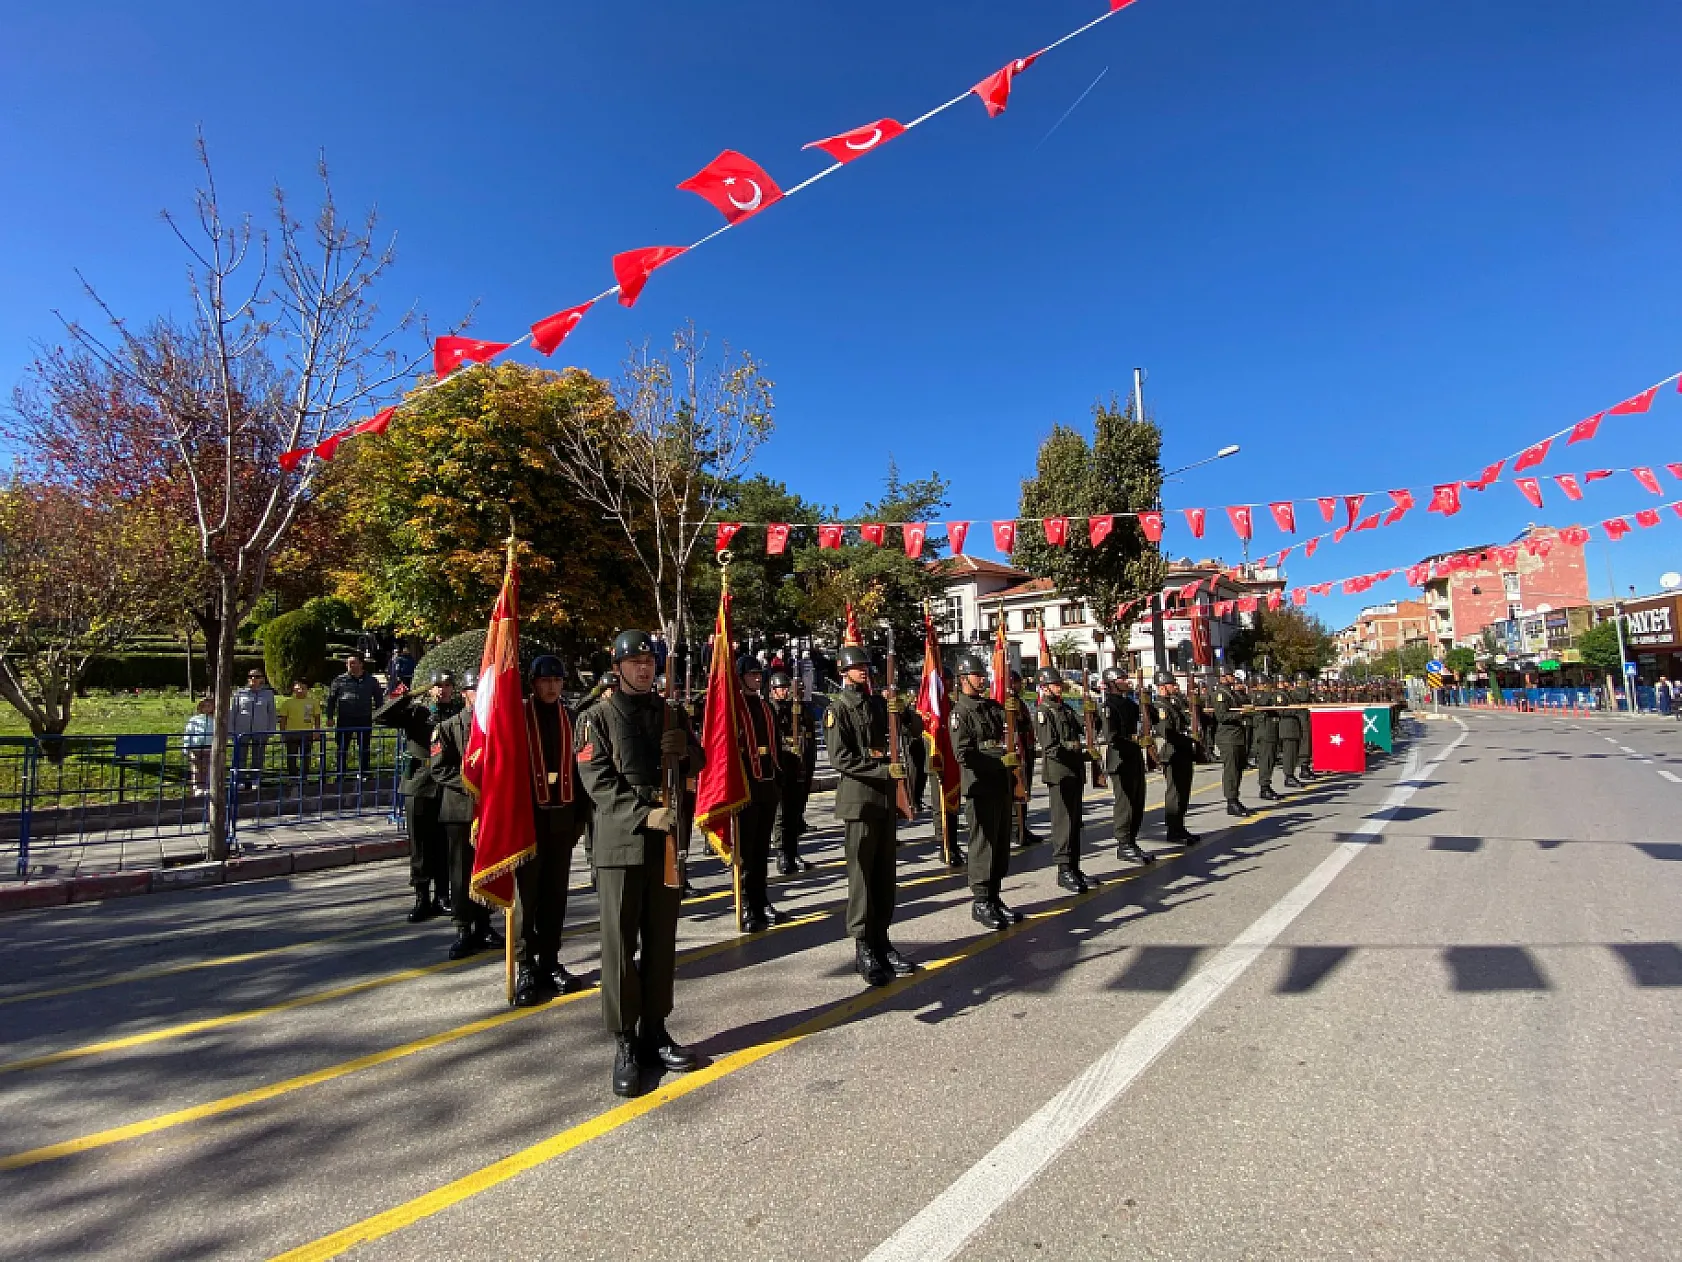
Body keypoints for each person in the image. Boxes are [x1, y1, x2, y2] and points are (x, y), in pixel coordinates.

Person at [577, 629, 704, 1098]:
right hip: (620, 844)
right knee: (619, 947)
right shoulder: (595, 718)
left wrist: (684, 752)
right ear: (618, 667)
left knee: (661, 941)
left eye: (650, 662)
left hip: (665, 841)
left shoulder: (671, 711)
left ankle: (655, 1028)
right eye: (635, 662)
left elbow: (700, 759)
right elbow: (597, 779)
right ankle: (625, 1040)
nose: (644, 668)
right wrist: (642, 814)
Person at [826, 643, 915, 988]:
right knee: (862, 875)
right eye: (857, 666)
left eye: (866, 666)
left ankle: (882, 939)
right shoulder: (839, 709)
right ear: (843, 670)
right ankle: (864, 944)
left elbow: (906, 731)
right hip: (860, 801)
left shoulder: (879, 703)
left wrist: (902, 712)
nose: (863, 670)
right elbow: (840, 759)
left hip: (884, 801)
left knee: (884, 874)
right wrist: (884, 772)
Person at [512, 656, 588, 1006]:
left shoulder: (571, 719)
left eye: (557, 680)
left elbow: (585, 769)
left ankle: (550, 961)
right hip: (528, 822)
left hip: (562, 821)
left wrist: (580, 819)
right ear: (532, 683)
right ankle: (525, 966)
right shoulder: (517, 720)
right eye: (545, 681)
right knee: (527, 900)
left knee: (556, 897)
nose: (552, 687)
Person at [374, 670, 460, 922]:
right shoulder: (417, 714)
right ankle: (422, 897)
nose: (442, 690)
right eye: (437, 686)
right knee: (420, 846)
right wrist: (408, 696)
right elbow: (379, 716)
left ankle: (442, 896)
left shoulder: (455, 714)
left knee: (445, 843)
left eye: (447, 686)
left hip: (447, 785)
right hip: (419, 785)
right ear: (429, 689)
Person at [429, 669, 501, 959]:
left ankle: (484, 923)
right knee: (460, 873)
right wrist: (471, 784)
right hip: (460, 810)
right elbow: (438, 768)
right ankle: (463, 928)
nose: (478, 697)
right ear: (465, 695)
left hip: (487, 809)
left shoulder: (495, 728)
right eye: (473, 692)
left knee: (485, 869)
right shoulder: (447, 728)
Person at [949, 652, 1021, 930]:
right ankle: (981, 900)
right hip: (980, 786)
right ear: (963, 679)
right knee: (983, 845)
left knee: (1001, 844)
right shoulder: (961, 712)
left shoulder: (992, 707)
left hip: (1000, 784)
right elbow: (963, 754)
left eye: (983, 675)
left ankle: (994, 895)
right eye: (977, 675)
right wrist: (997, 761)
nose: (983, 679)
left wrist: (1016, 707)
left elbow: (1015, 727)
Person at [734, 656, 787, 932]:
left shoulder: (765, 706)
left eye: (759, 674)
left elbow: (775, 741)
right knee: (746, 852)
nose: (757, 678)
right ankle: (745, 904)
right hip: (746, 785)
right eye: (751, 674)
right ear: (740, 677)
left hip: (767, 782)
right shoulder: (734, 708)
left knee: (762, 849)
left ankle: (761, 899)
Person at [1033, 667, 1098, 892]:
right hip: (1059, 773)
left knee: (1075, 822)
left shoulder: (1065, 708)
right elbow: (1050, 747)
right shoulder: (1044, 712)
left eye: (1059, 683)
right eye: (1055, 684)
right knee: (1063, 824)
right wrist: (1074, 747)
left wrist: (1091, 712)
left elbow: (1085, 727)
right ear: (1044, 687)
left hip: (1074, 771)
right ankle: (1064, 870)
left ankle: (1074, 867)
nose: (1059, 687)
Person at [1098, 668, 1154, 866]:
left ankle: (1131, 841)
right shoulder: (1109, 706)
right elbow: (1110, 735)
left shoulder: (1130, 703)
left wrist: (1146, 702)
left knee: (1138, 801)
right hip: (1119, 758)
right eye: (1121, 679)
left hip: (1134, 756)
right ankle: (1123, 844)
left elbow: (1150, 719)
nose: (1126, 681)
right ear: (1112, 683)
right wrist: (1134, 739)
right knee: (1126, 803)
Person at [768, 670, 817, 875]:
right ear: (773, 690)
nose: (785, 691)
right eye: (781, 688)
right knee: (782, 813)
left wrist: (799, 706)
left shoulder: (795, 707)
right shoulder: (771, 709)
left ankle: (793, 850)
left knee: (796, 811)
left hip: (799, 765)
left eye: (787, 688)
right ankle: (782, 853)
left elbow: (808, 729)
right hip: (781, 766)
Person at [1153, 674, 1200, 845]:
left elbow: (1187, 720)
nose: (1175, 686)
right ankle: (1173, 829)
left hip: (1182, 752)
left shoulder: (1173, 703)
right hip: (1171, 753)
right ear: (1162, 686)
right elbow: (1168, 732)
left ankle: (1180, 827)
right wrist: (1187, 740)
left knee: (1184, 792)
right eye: (1171, 684)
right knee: (1175, 793)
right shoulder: (1159, 707)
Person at [326, 654, 384, 778]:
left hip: (364, 718)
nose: (350, 666)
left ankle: (364, 773)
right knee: (342, 747)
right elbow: (331, 700)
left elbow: (379, 699)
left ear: (361, 664)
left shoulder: (371, 681)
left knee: (364, 747)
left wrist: (380, 715)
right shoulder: (339, 680)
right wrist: (329, 717)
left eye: (353, 663)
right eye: (348, 663)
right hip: (345, 718)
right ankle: (340, 773)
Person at [1009, 669, 1043, 849]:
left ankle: (1024, 827)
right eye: (1016, 682)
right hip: (1017, 750)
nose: (1020, 686)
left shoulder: (1019, 702)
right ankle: (1016, 830)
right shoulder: (1007, 703)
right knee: (1017, 791)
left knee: (1026, 789)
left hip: (1026, 749)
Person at [1212, 669, 1252, 818]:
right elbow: (1222, 716)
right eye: (1230, 675)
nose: (1233, 678)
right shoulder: (1220, 694)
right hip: (1228, 737)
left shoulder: (1232, 693)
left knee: (1238, 768)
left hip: (1236, 736)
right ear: (1222, 677)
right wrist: (1240, 714)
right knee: (1231, 769)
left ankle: (1235, 797)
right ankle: (1231, 800)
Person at [229, 667, 277, 787]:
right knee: (240, 757)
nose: (253, 679)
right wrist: (231, 730)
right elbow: (232, 712)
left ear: (262, 679)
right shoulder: (239, 693)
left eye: (257, 676)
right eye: (250, 676)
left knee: (258, 757)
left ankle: (255, 779)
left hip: (260, 730)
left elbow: (271, 713)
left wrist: (271, 730)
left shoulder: (268, 694)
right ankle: (239, 780)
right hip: (241, 730)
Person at [276, 679, 321, 779]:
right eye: (298, 688)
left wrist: (317, 731)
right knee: (291, 756)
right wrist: (282, 733)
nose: (300, 690)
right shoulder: (287, 703)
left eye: (303, 688)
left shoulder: (313, 702)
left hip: (307, 733)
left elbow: (317, 717)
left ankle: (304, 776)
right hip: (291, 733)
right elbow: (283, 719)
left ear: (307, 689)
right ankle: (292, 777)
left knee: (306, 757)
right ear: (294, 689)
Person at [1251, 674, 1282, 801]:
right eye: (1265, 685)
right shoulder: (1258, 695)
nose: (1268, 687)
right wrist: (1269, 693)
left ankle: (1266, 785)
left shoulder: (1266, 695)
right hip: (1264, 732)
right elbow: (1263, 703)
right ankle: (1264, 787)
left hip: (1270, 731)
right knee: (1266, 760)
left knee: (1270, 760)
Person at [183, 695, 215, 798]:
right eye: (204, 706)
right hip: (196, 748)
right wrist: (186, 746)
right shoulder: (194, 719)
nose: (206, 708)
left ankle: (207, 787)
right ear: (200, 707)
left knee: (207, 768)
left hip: (209, 748)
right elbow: (188, 733)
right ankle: (197, 787)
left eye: (209, 706)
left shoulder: (214, 720)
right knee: (196, 768)